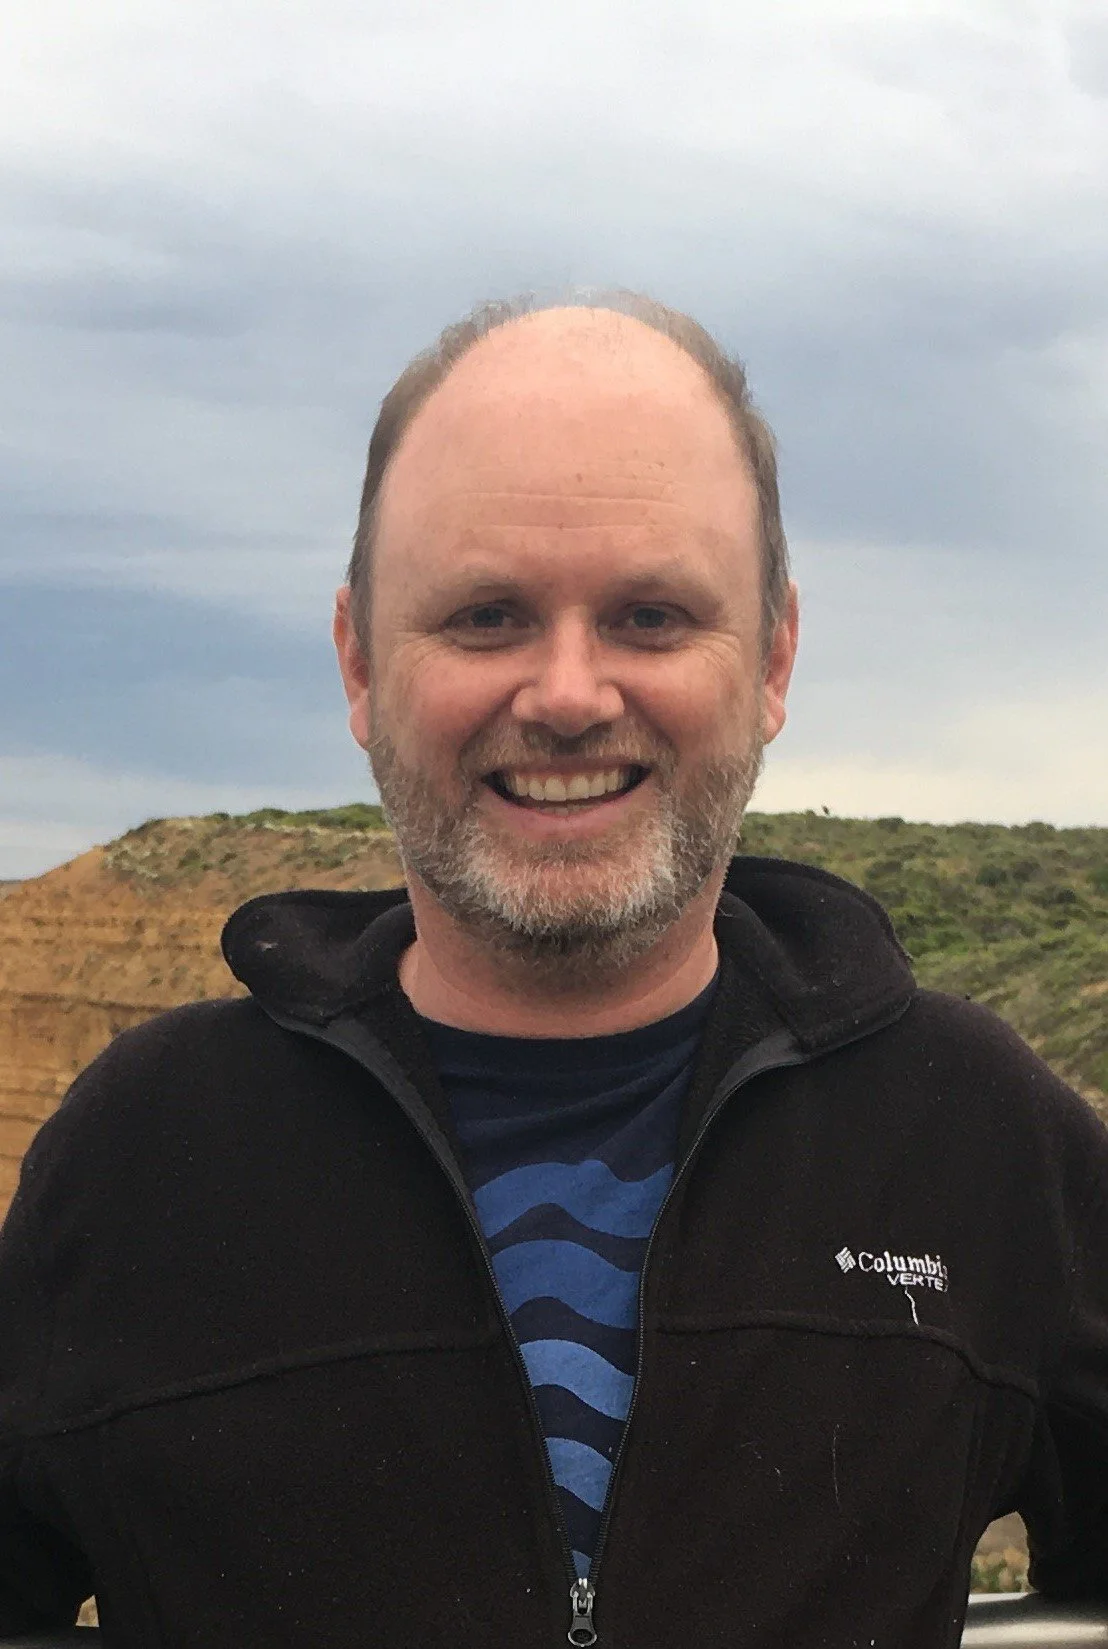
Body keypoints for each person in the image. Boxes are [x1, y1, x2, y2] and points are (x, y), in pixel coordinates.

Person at [1, 293, 1106, 1649]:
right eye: (486, 616)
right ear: (359, 663)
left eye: (650, 615)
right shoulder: (142, 1157)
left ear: (772, 658)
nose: (570, 694)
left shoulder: (971, 1137)